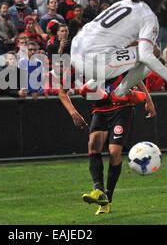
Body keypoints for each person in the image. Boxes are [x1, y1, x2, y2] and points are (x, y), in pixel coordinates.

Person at [71, 0, 167, 105]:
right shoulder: (149, 17)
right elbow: (146, 55)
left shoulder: (123, 3)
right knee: (152, 52)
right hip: (93, 62)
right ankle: (119, 94)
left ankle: (91, 86)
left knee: (127, 51)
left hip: (75, 51)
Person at [59, 73, 156, 215]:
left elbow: (135, 76)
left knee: (114, 152)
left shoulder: (114, 56)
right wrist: (73, 113)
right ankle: (99, 191)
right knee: (93, 145)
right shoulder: (79, 64)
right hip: (100, 109)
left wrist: (149, 100)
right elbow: (62, 91)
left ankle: (107, 199)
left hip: (122, 108)